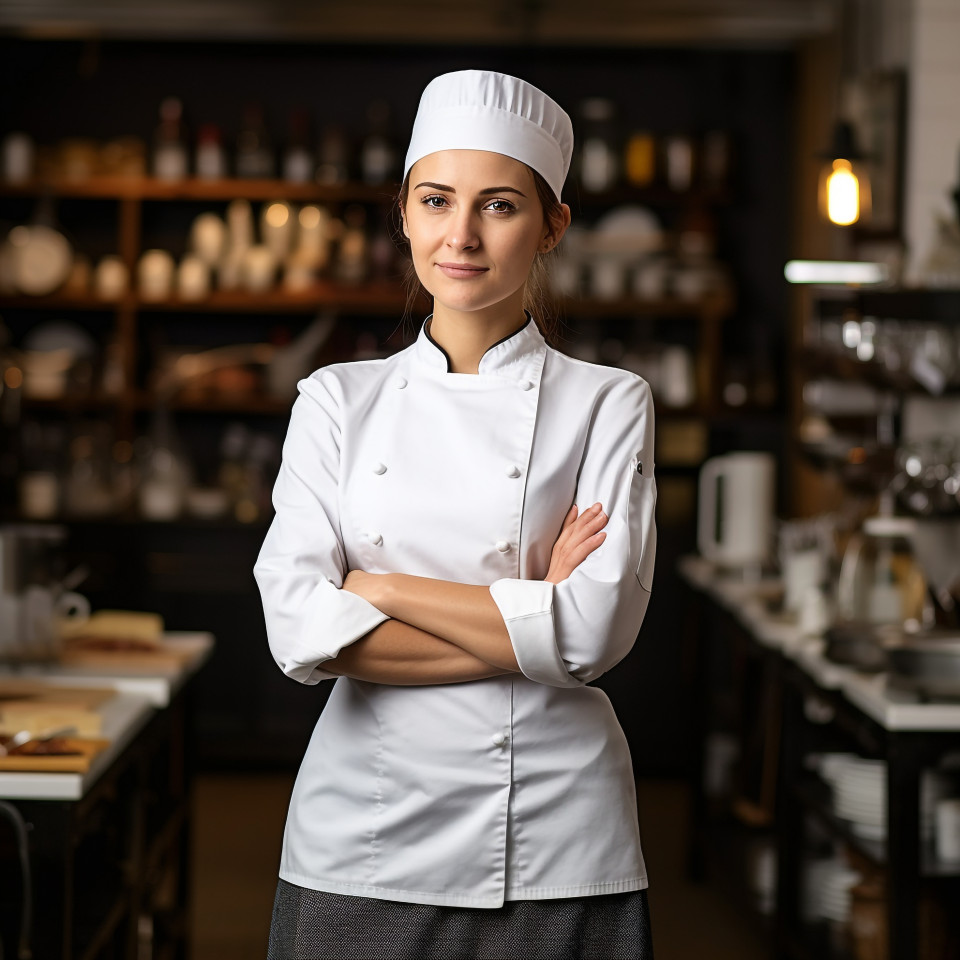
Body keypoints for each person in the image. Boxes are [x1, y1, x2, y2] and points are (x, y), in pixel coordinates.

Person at [255, 69, 657, 960]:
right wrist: (535, 620)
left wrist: (378, 589)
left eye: (499, 205)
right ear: (404, 213)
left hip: (555, 831)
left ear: (552, 225)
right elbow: (298, 632)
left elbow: (594, 636)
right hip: (361, 829)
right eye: (436, 200)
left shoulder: (608, 401)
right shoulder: (335, 400)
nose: (461, 235)